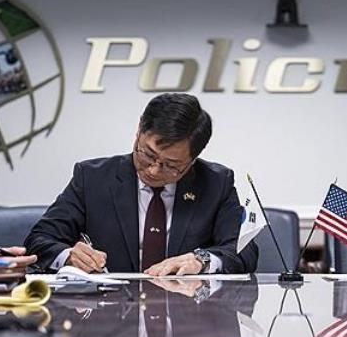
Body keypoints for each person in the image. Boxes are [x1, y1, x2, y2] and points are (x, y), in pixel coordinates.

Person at [25, 93, 257, 275]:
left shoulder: (216, 183)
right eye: (147, 154)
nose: (154, 170)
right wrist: (68, 255)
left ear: (193, 159)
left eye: (171, 165)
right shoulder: (92, 178)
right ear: (139, 131)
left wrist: (201, 260)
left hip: (188, 315)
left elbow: (244, 251)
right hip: (109, 319)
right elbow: (39, 239)